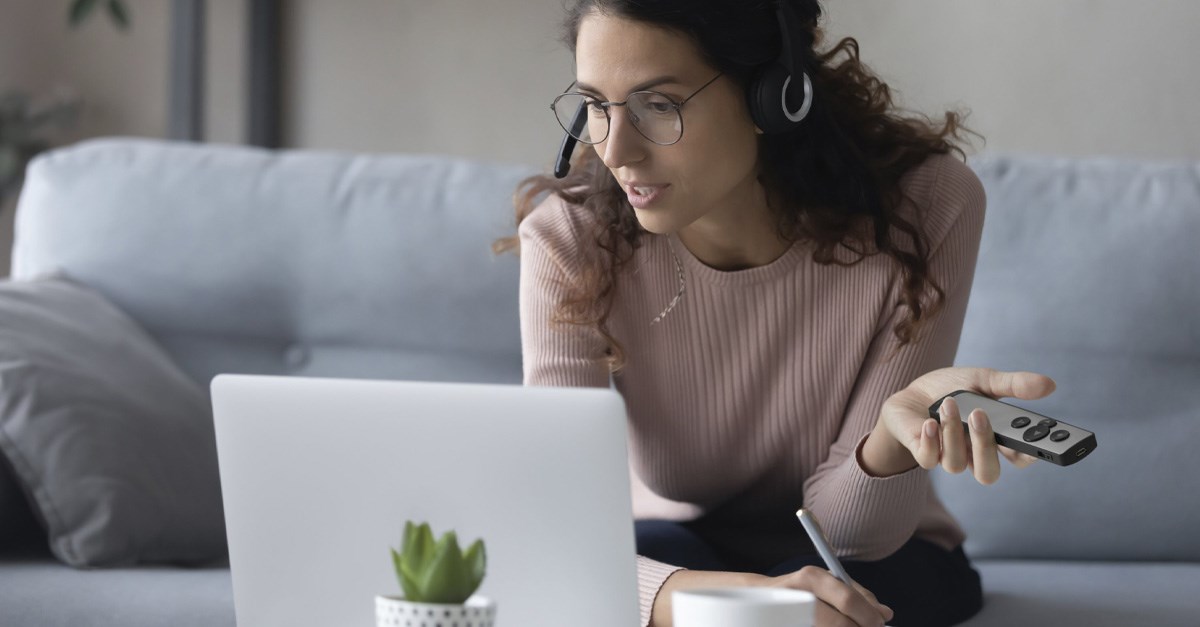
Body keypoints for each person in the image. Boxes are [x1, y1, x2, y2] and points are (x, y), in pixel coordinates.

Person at [495, 1, 1056, 626]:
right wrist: (704, 599)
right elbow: (556, 535)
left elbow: (854, 538)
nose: (616, 151)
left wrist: (887, 446)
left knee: (847, 601)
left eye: (659, 105)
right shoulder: (571, 239)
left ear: (775, 96)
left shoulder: (925, 208)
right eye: (597, 105)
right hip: (671, 549)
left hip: (874, 552)